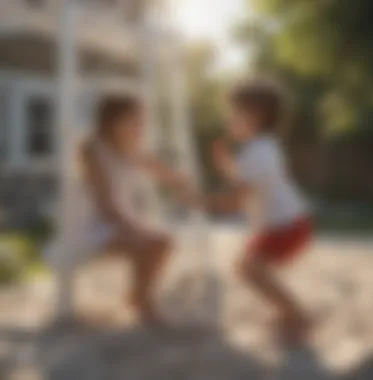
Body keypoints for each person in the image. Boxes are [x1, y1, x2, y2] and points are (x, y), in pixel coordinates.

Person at [46, 95, 192, 326]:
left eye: (142, 121)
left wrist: (180, 181)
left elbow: (158, 170)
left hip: (116, 219)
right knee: (153, 242)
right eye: (134, 120)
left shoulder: (130, 149)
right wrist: (134, 228)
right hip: (90, 225)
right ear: (113, 122)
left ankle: (138, 296)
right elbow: (105, 204)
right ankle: (143, 302)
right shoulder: (94, 150)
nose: (140, 127)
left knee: (162, 242)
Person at [207, 79, 313, 344]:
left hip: (285, 226)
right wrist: (226, 166)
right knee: (248, 269)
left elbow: (239, 197)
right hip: (284, 223)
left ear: (255, 116)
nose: (228, 119)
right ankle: (290, 313)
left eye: (233, 112)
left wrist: (205, 202)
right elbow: (247, 181)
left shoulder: (258, 151)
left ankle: (297, 316)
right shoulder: (261, 147)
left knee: (250, 270)